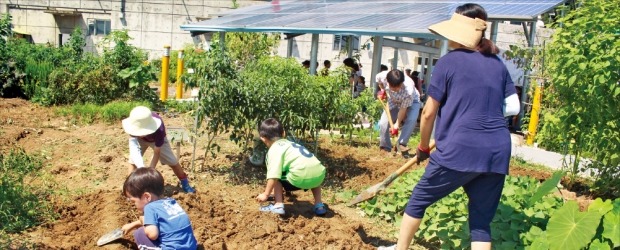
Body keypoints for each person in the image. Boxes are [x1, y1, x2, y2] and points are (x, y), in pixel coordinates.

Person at [378, 3, 520, 250]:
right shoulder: (498, 64)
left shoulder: (448, 62)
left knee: (419, 199)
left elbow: (429, 112)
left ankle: (400, 249)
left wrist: (423, 147)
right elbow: (513, 108)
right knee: (480, 222)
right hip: (497, 151)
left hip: (460, 148)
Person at [255, 118, 327, 216]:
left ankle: (278, 205)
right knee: (311, 169)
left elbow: (274, 175)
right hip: (319, 176)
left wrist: (266, 194)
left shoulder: (274, 150)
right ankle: (319, 205)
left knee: (278, 177)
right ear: (284, 133)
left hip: (299, 178)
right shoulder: (292, 144)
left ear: (262, 138)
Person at [122, 106, 195, 193]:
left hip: (156, 141)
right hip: (140, 141)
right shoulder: (132, 126)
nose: (141, 134)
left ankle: (185, 184)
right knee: (132, 162)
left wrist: (149, 172)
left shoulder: (159, 129)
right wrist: (142, 168)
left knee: (173, 162)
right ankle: (129, 189)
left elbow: (157, 152)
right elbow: (134, 152)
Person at [121, 167, 198, 249]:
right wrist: (132, 225)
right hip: (191, 247)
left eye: (133, 201)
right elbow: (158, 220)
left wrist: (143, 221)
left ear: (147, 197)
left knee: (139, 233)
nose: (133, 205)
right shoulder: (171, 202)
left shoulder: (150, 207)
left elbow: (152, 234)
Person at [377, 70, 421, 156]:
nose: (396, 89)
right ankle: (385, 147)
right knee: (383, 123)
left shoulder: (409, 90)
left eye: (398, 86)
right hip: (393, 100)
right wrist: (382, 90)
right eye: (392, 87)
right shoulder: (382, 76)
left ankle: (401, 144)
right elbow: (379, 82)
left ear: (402, 82)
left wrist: (397, 124)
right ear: (388, 81)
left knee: (412, 119)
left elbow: (403, 109)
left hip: (412, 101)